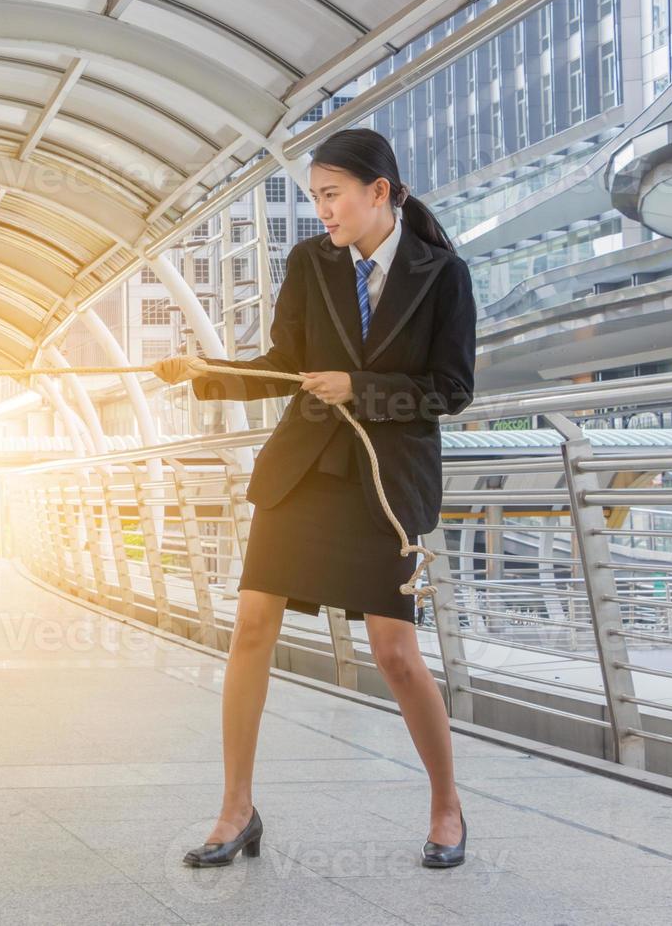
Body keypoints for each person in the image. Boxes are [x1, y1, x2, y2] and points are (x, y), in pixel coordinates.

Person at [153, 128, 476, 870]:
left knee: (394, 651)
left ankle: (446, 805)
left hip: (385, 486)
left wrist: (362, 389)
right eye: (315, 198)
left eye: (331, 196)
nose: (322, 212)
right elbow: (283, 366)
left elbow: (451, 391)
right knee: (252, 628)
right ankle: (237, 807)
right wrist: (204, 373)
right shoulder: (310, 263)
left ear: (379, 193)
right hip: (300, 474)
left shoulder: (444, 275)